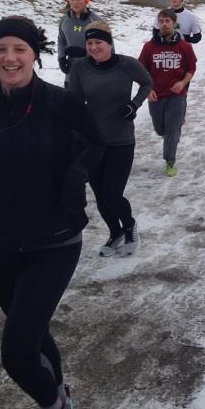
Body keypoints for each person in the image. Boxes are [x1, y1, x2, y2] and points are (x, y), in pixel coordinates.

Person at [0, 16, 102, 409]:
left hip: (54, 240)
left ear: (35, 54)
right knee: (34, 332)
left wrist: (75, 179)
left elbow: (95, 147)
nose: (10, 58)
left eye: (19, 49)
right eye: (0, 48)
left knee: (17, 350)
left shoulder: (62, 104)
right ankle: (57, 397)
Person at [68, 21, 152, 257]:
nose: (94, 47)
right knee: (99, 195)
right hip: (93, 142)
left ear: (109, 43)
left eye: (99, 42)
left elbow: (147, 82)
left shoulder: (127, 64)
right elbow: (73, 102)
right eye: (89, 43)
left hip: (121, 139)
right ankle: (115, 232)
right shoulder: (80, 68)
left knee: (112, 194)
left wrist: (134, 104)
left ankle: (129, 226)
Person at [139, 9, 197, 177]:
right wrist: (147, 90)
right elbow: (140, 70)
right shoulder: (149, 47)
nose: (164, 24)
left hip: (177, 96)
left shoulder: (184, 46)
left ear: (174, 23)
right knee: (160, 130)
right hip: (156, 95)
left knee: (171, 130)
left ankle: (170, 161)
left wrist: (183, 83)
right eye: (161, 21)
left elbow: (191, 68)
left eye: (167, 21)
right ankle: (175, 126)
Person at [57, 0, 103, 84]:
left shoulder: (96, 22)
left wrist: (85, 53)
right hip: (71, 73)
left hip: (93, 73)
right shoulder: (64, 20)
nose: (75, 2)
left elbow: (108, 48)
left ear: (86, 1)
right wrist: (61, 58)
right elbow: (61, 40)